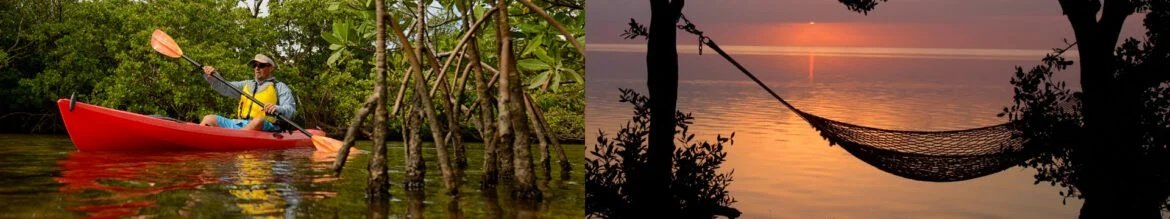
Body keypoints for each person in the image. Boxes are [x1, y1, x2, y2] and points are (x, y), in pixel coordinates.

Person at [198, 54, 297, 132]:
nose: (257, 68)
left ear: (271, 68)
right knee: (209, 119)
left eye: (261, 65)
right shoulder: (246, 84)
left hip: (266, 126)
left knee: (258, 120)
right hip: (241, 123)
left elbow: (291, 110)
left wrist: (277, 108)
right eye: (255, 65)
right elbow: (224, 87)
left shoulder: (280, 87)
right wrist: (213, 76)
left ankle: (235, 141)